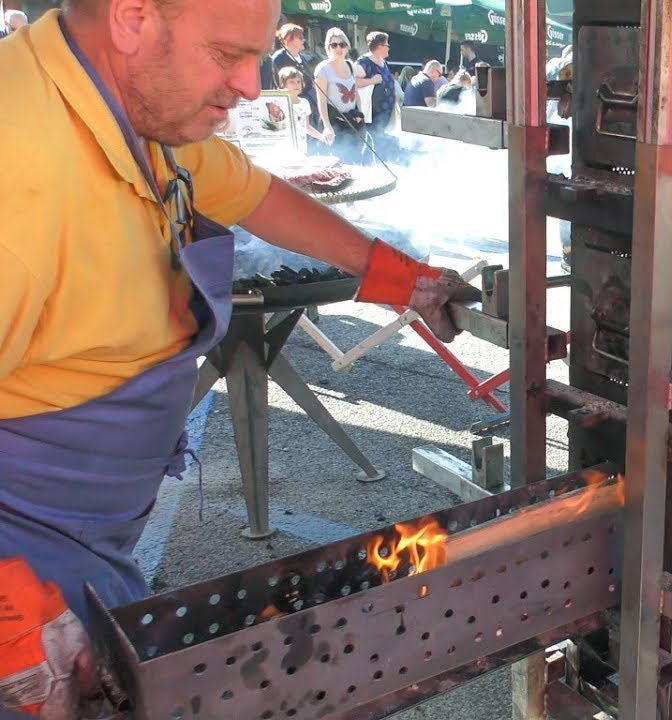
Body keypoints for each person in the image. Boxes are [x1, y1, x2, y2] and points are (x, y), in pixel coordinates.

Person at [0, 2, 478, 717]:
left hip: (91, 533)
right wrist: (11, 614)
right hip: (23, 544)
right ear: (132, 19)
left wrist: (398, 278)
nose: (253, 85)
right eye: (228, 55)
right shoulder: (18, 171)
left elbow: (251, 193)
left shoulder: (123, 105)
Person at [314, 26, 379, 164]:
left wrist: (360, 113)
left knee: (357, 161)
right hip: (335, 122)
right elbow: (321, 100)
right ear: (328, 47)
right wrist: (327, 126)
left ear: (347, 46)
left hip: (353, 121)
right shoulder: (322, 69)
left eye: (342, 44)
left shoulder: (350, 65)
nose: (339, 48)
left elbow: (355, 92)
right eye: (334, 45)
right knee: (338, 163)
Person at [355, 31, 401, 161]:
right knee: (373, 141)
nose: (389, 48)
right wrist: (371, 81)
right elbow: (353, 82)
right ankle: (370, 164)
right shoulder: (364, 62)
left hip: (385, 112)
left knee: (378, 141)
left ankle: (374, 163)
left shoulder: (383, 62)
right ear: (379, 46)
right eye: (387, 45)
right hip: (373, 112)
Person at [279, 66, 326, 151]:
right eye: (291, 82)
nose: (296, 85)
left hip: (300, 146)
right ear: (283, 84)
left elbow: (306, 127)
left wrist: (322, 137)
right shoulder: (279, 103)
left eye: (298, 82)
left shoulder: (304, 103)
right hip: (283, 146)